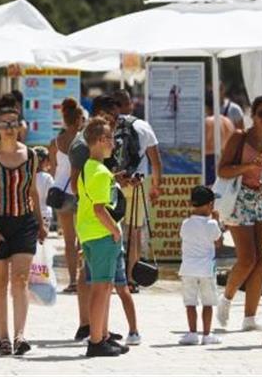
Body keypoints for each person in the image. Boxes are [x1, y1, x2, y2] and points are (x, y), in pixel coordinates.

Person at [0, 106, 45, 356]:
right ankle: (3, 337)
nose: (9, 128)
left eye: (13, 123)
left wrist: (40, 222)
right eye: (4, 123)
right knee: (0, 282)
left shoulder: (31, 155)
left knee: (20, 280)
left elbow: (33, 192)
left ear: (19, 126)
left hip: (24, 222)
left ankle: (20, 336)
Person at [216, 94, 262, 332]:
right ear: (253, 115)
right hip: (239, 198)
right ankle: (226, 299)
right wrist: (249, 166)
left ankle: (250, 318)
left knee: (261, 262)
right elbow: (222, 170)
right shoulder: (240, 137)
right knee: (247, 258)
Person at [75, 115, 126, 358]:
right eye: (109, 139)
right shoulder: (100, 171)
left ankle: (103, 335)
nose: (113, 144)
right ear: (97, 141)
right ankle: (96, 341)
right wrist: (115, 230)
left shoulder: (89, 166)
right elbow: (99, 208)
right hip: (101, 233)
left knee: (104, 287)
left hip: (89, 233)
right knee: (101, 287)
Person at [110, 89, 162, 294]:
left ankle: (111, 276)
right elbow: (156, 162)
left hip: (113, 184)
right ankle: (131, 279)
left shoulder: (108, 125)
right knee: (134, 232)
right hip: (138, 184)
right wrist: (157, 187)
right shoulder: (143, 126)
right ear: (129, 104)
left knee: (110, 228)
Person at [178, 185, 224, 346]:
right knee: (208, 303)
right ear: (210, 204)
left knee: (190, 302)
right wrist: (217, 222)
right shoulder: (212, 224)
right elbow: (218, 243)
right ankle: (206, 334)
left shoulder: (185, 223)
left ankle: (192, 333)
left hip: (188, 269)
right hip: (206, 269)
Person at [50, 98, 84, 294]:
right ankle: (83, 279)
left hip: (62, 194)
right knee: (83, 240)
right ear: (79, 119)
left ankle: (72, 281)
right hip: (81, 192)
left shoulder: (55, 142)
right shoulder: (84, 141)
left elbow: (55, 169)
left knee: (68, 241)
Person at [204, 92, 237, 186]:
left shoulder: (207, 122)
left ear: (206, 106)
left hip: (209, 161)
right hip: (226, 160)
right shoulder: (228, 121)